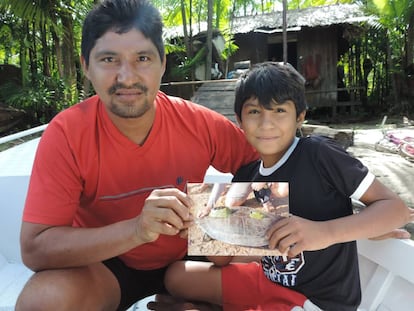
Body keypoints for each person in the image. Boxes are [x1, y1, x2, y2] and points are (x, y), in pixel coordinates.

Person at [14, 1, 259, 310]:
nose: (127, 77)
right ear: (86, 65)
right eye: (109, 59)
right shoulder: (67, 133)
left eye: (142, 58)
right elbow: (35, 249)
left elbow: (271, 171)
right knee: (43, 302)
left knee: (284, 250)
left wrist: (208, 221)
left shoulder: (200, 123)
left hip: (191, 258)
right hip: (106, 263)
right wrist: (137, 230)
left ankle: (192, 296)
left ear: (162, 63)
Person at [163, 62, 412, 311]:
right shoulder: (247, 174)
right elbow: (224, 258)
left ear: (300, 116)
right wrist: (203, 226)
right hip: (268, 281)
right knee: (176, 276)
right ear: (239, 120)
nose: (266, 124)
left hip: (315, 303)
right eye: (254, 112)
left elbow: (396, 208)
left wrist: (324, 233)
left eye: (279, 111)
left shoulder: (318, 155)